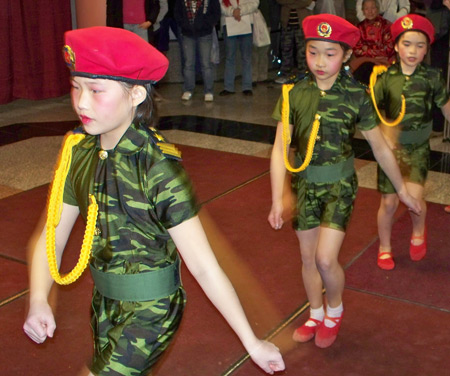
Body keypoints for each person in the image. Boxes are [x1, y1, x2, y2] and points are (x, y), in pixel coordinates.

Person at [22, 27, 285, 376]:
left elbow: (204, 266)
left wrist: (251, 342)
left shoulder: (157, 167)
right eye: (76, 86)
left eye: (96, 90)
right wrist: (39, 298)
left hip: (152, 310)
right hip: (105, 304)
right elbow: (52, 234)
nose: (81, 102)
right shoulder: (78, 152)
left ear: (135, 95)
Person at [268, 14, 421, 348]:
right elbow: (280, 147)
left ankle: (334, 310)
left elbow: (379, 147)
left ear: (347, 55)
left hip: (339, 186)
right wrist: (278, 197)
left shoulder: (356, 95)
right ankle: (315, 312)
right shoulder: (293, 93)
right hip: (305, 184)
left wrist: (401, 189)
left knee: (325, 259)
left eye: (330, 53)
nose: (320, 62)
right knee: (308, 259)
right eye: (313, 52)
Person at [372, 14, 450, 270]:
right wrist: (385, 137)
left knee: (415, 200)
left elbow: (446, 108)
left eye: (419, 45)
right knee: (389, 202)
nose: (413, 51)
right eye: (407, 44)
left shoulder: (432, 77)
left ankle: (419, 231)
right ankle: (384, 246)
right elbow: (376, 116)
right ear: (396, 46)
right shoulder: (384, 78)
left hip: (418, 149)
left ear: (427, 48)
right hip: (391, 151)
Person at [174, 0, 221, 102]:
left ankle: (209, 91)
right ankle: (188, 89)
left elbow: (216, 12)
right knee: (188, 63)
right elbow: (177, 12)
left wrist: (208, 24)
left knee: (206, 64)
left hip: (205, 33)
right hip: (187, 34)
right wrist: (183, 24)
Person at [219, 0, 259, 96]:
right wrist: (232, 11)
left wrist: (240, 11)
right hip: (228, 22)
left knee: (246, 56)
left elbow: (255, 3)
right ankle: (228, 87)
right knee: (230, 56)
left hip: (246, 21)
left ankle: (247, 86)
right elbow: (220, 4)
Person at [350, 0, 395, 85]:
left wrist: (367, 49)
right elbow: (357, 50)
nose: (370, 11)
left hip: (384, 61)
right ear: (362, 10)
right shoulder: (359, 27)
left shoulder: (387, 26)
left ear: (378, 9)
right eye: (367, 8)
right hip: (364, 61)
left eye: (373, 8)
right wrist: (375, 53)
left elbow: (388, 49)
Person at [273, 0, 313, 85]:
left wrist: (290, 3)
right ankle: (285, 74)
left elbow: (307, 2)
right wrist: (296, 3)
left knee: (302, 50)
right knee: (286, 50)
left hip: (301, 24)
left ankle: (303, 74)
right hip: (286, 23)